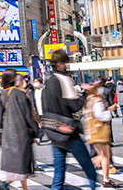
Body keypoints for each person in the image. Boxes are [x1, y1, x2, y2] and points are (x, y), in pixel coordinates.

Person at [42, 50, 97, 190]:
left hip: (53, 130)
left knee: (59, 171)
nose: (66, 66)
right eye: (66, 63)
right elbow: (75, 105)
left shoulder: (47, 81)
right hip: (68, 131)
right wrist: (85, 93)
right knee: (89, 168)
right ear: (60, 63)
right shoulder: (64, 80)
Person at [0, 68, 39, 190]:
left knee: (17, 164)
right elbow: (28, 116)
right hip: (22, 133)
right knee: (23, 164)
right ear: (13, 79)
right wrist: (35, 132)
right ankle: (3, 185)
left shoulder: (2, 94)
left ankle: (22, 188)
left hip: (8, 134)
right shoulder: (21, 94)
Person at [83, 79, 119, 188]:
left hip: (91, 131)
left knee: (103, 156)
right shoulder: (96, 100)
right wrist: (110, 111)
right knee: (105, 156)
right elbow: (100, 115)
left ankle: (106, 179)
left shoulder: (88, 100)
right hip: (99, 131)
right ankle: (105, 178)